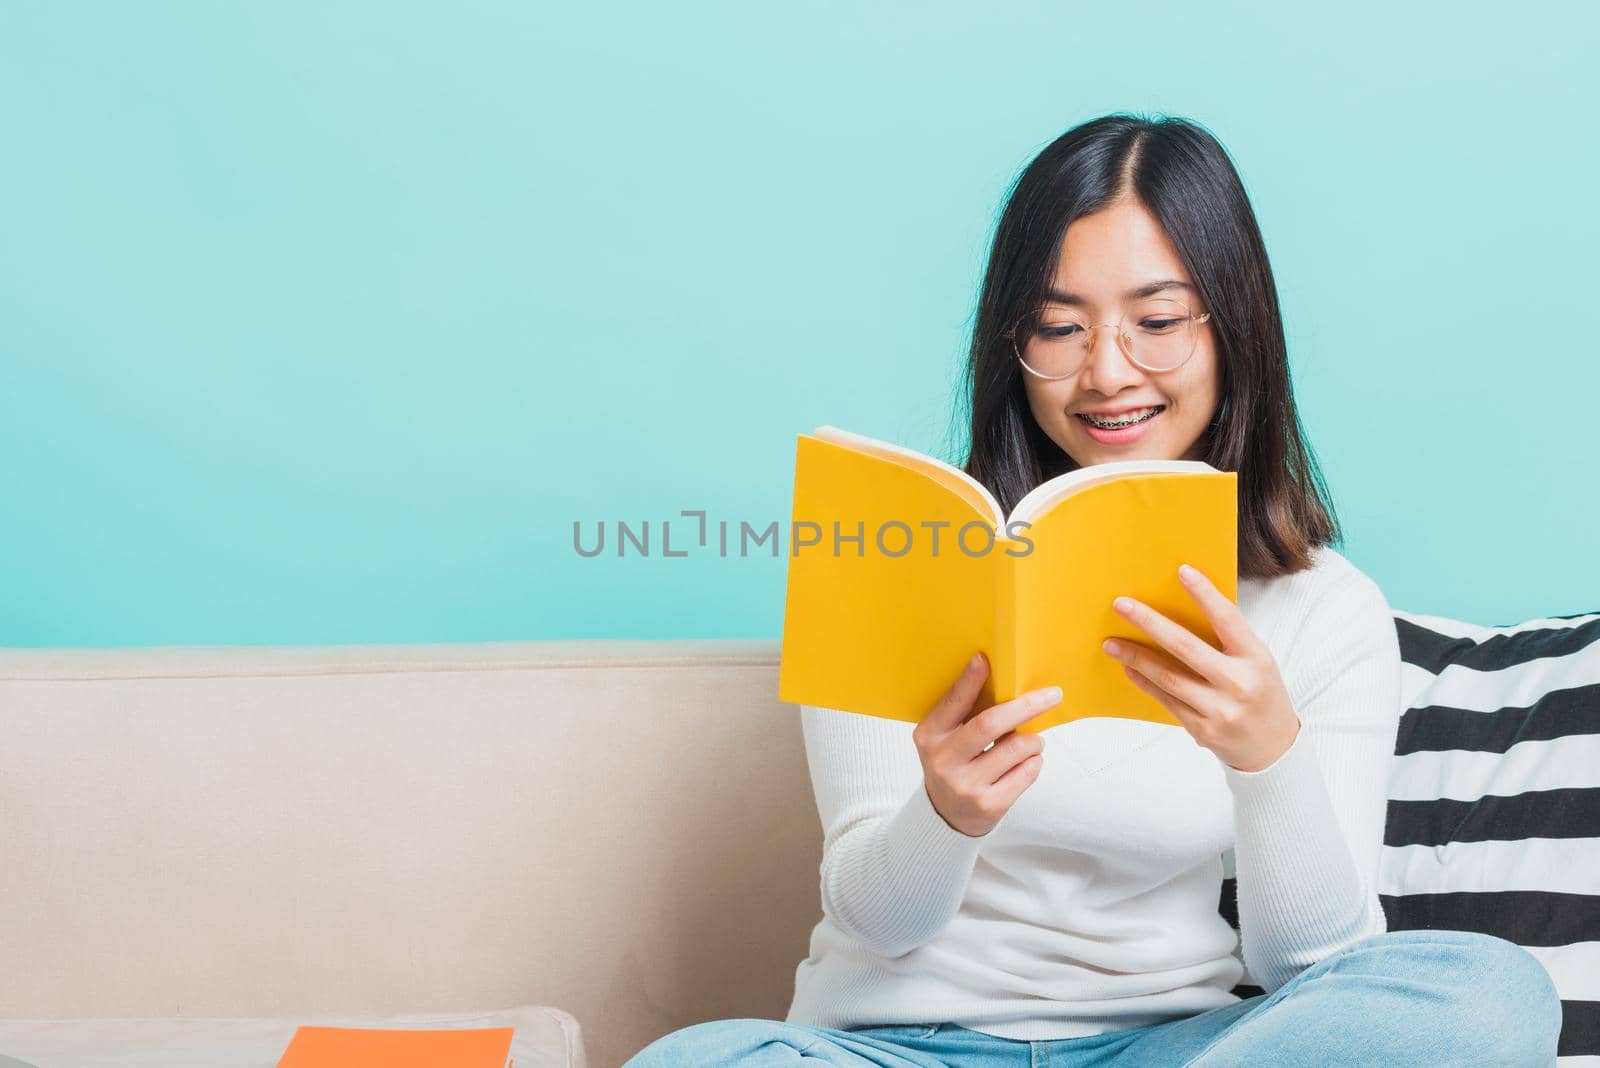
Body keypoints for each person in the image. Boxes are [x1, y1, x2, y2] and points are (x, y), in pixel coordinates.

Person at [625, 113, 1564, 1067]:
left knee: (1487, 997)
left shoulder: (1321, 608)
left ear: (1234, 328)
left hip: (1175, 1051)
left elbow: (1309, 965)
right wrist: (945, 817)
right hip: (896, 1050)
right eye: (1059, 327)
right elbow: (875, 920)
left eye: (1157, 322)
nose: (1107, 372)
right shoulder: (888, 554)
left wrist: (1267, 756)